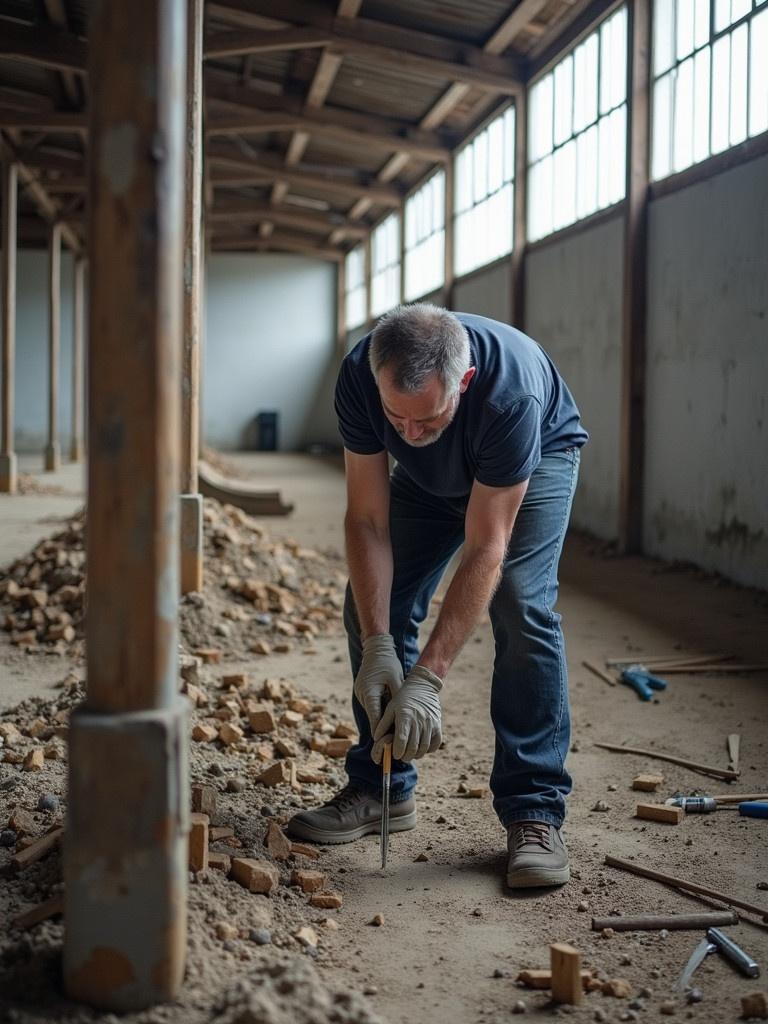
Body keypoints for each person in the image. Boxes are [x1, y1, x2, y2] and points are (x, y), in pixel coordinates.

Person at [286, 303, 588, 888]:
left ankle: (534, 811)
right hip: (434, 480)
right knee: (371, 601)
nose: (411, 435)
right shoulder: (359, 377)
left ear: (464, 382)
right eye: (396, 421)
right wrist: (379, 643)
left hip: (534, 456)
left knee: (521, 604)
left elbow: (486, 545)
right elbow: (367, 520)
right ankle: (382, 788)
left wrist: (428, 677)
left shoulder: (508, 398)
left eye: (425, 420)